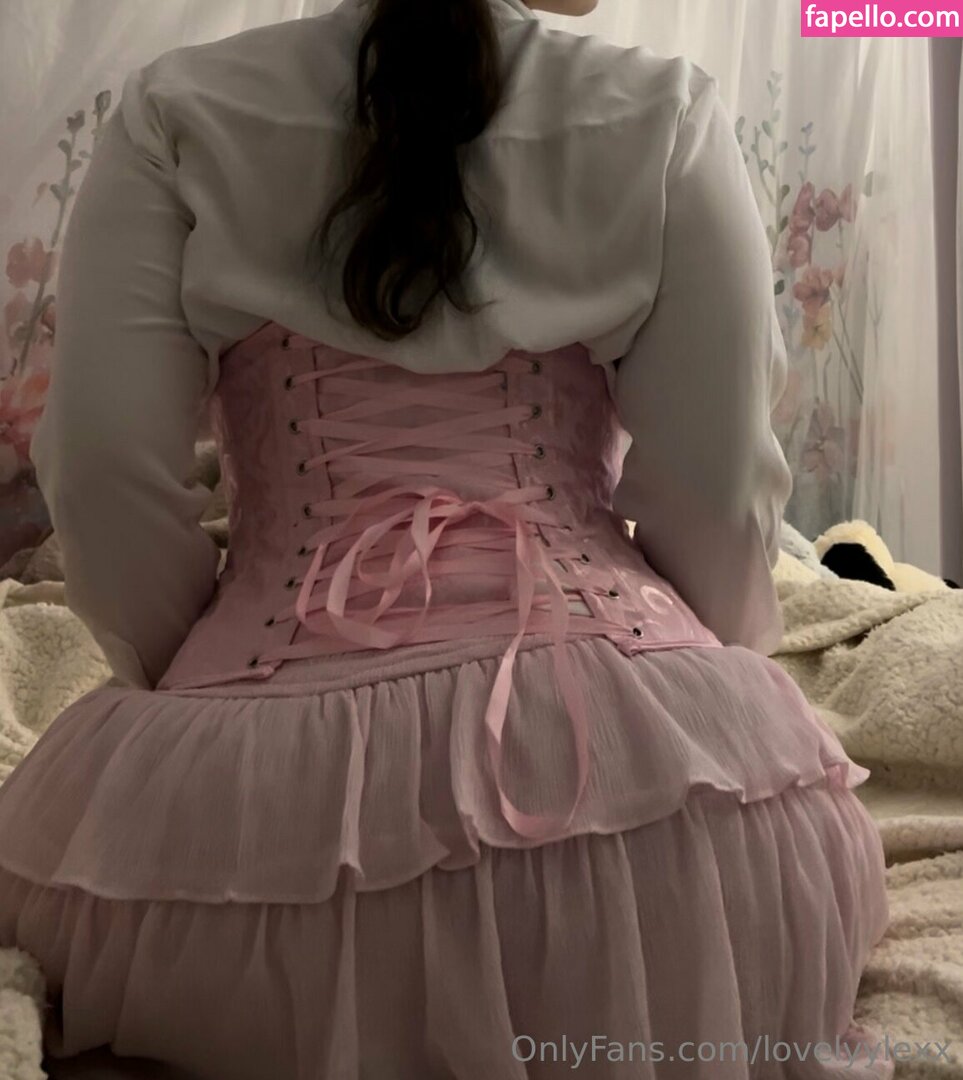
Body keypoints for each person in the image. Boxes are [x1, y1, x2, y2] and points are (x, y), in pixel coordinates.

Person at [0, 0, 893, 1076]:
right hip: (698, 883)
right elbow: (720, 494)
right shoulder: (662, 112)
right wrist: (704, 704)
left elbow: (103, 472)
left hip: (241, 902)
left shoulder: (177, 114)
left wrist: (197, 699)